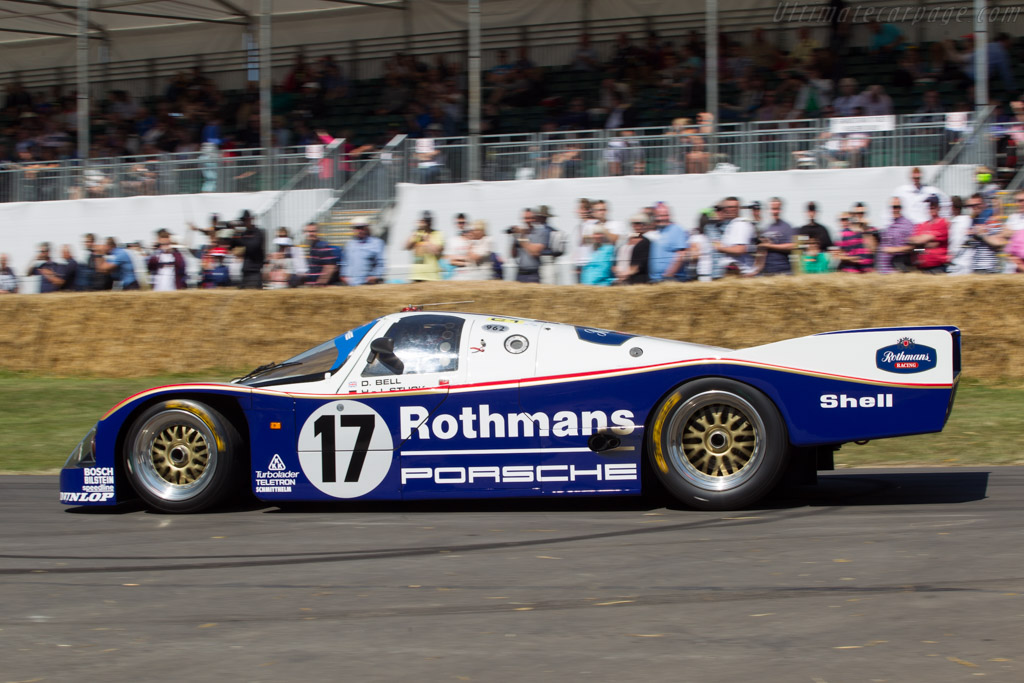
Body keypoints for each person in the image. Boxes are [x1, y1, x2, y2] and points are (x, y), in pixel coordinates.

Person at [964, 193, 1011, 274]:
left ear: (983, 204)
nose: (974, 208)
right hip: (975, 267)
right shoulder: (973, 221)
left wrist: (982, 235)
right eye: (971, 205)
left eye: (976, 205)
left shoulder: (992, 220)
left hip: (989, 267)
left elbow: (999, 242)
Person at [647, 201, 689, 282]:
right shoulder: (657, 231)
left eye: (665, 215)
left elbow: (681, 254)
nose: (663, 218)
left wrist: (668, 276)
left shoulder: (676, 229)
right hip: (655, 280)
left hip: (671, 280)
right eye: (659, 216)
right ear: (654, 217)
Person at [714, 197, 757, 276]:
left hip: (742, 273)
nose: (732, 209)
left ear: (739, 208)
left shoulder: (740, 224)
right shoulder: (732, 224)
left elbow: (740, 249)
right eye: (729, 207)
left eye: (735, 207)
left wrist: (720, 248)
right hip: (734, 273)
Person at [754, 197, 796, 276]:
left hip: (783, 272)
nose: (775, 212)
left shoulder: (787, 227)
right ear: (768, 209)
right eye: (773, 209)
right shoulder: (765, 227)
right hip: (766, 271)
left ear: (781, 209)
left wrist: (770, 246)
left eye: (777, 209)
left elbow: (792, 246)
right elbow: (760, 249)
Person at [907, 195, 949, 274]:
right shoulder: (922, 225)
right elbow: (912, 243)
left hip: (938, 268)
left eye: (934, 205)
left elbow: (920, 240)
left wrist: (921, 243)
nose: (931, 207)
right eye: (929, 205)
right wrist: (924, 248)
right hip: (922, 268)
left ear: (939, 207)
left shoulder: (943, 223)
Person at [509, 207, 551, 283]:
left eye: (529, 218)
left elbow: (534, 252)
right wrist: (513, 239)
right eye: (525, 218)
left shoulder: (541, 232)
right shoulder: (520, 234)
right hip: (520, 273)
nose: (527, 221)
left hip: (533, 274)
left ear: (534, 219)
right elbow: (513, 255)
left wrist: (522, 237)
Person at [228, 209, 266, 289]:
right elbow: (231, 246)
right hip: (245, 270)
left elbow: (253, 247)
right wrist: (234, 233)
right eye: (243, 220)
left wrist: (240, 240)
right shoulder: (243, 234)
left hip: (255, 270)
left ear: (251, 220)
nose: (244, 222)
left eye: (246, 220)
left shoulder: (258, 233)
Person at [343, 217, 387, 285]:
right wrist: (344, 275)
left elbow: (380, 262)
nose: (360, 230)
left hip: (368, 283)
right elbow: (345, 262)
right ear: (353, 230)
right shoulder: (350, 244)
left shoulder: (377, 243)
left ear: (367, 228)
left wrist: (376, 276)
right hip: (352, 283)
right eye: (357, 228)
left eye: (362, 228)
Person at [877, 197, 915, 273]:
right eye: (893, 207)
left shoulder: (907, 224)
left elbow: (914, 248)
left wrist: (894, 250)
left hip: (895, 271)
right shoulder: (888, 224)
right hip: (882, 271)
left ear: (901, 208)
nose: (895, 209)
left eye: (897, 207)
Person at [406, 211, 445, 281]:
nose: (427, 223)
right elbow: (407, 247)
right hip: (416, 275)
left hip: (431, 276)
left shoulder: (437, 234)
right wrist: (414, 234)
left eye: (428, 221)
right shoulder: (417, 233)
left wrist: (427, 240)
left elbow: (437, 251)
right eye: (424, 221)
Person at [615, 212, 653, 284]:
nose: (637, 225)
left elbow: (641, 264)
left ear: (645, 225)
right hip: (622, 278)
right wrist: (618, 272)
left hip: (637, 281)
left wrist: (626, 273)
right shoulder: (626, 239)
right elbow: (615, 258)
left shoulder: (645, 242)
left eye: (640, 223)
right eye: (634, 223)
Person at [303, 222, 339, 286]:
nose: (310, 234)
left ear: (318, 232)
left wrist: (320, 284)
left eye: (313, 231)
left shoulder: (322, 246)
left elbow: (330, 267)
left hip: (318, 288)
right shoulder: (312, 246)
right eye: (308, 231)